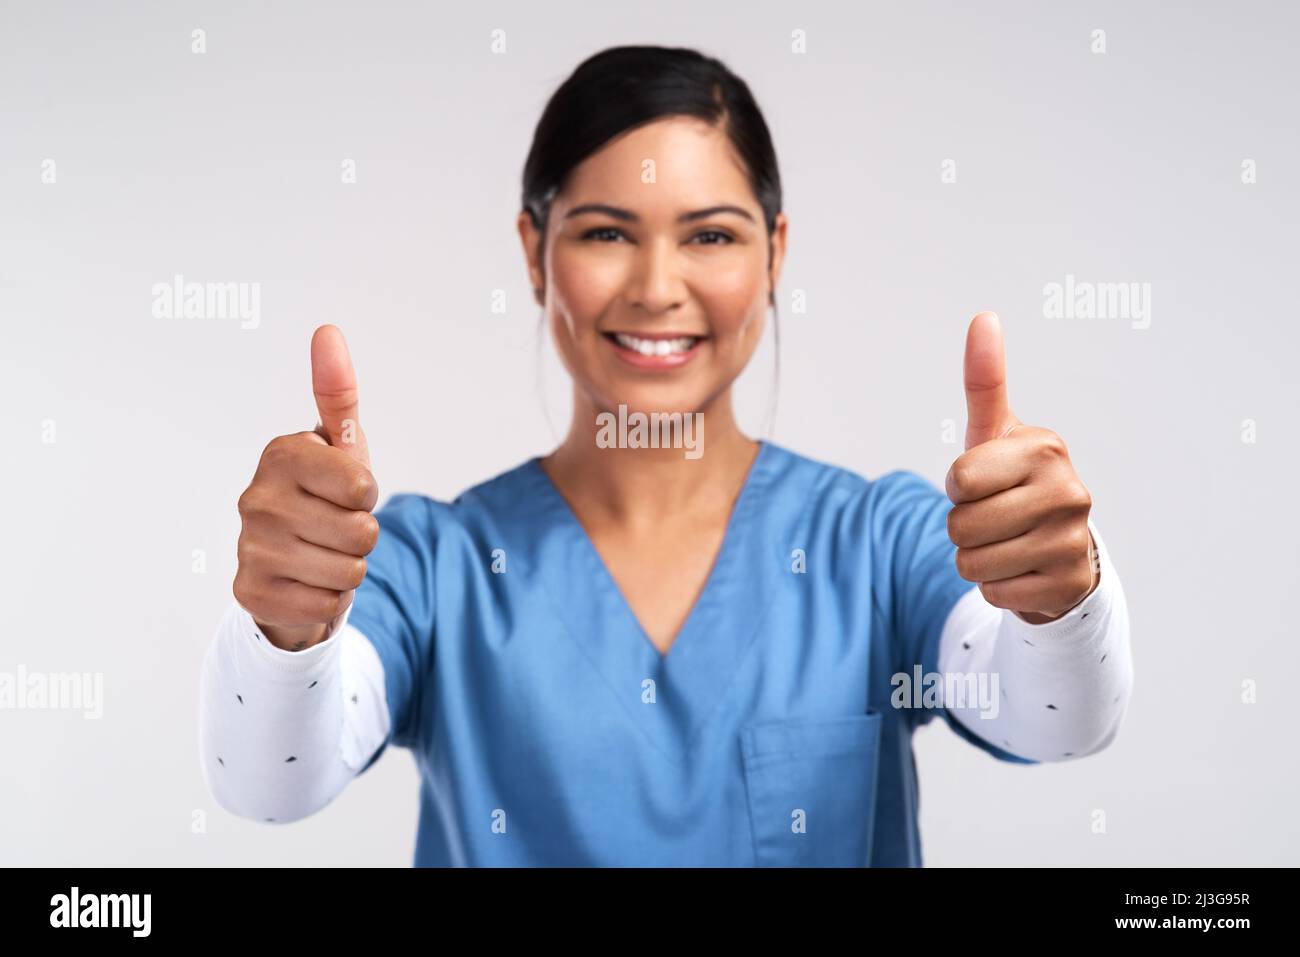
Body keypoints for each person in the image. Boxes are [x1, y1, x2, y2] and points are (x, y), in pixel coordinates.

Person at [198, 45, 1132, 866]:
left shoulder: (877, 544)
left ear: (775, 254)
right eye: (605, 233)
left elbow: (1058, 720)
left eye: (711, 236)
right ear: (535, 253)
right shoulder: (432, 562)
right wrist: (284, 630)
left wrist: (1059, 601)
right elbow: (269, 783)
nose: (655, 287)